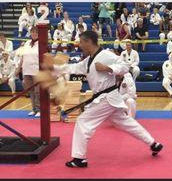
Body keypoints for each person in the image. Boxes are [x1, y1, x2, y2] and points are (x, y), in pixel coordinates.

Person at [47, 31, 163, 167]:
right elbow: (73, 67)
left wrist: (108, 68)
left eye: (81, 42)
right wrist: (51, 68)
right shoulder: (88, 59)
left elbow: (125, 66)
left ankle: (79, 159)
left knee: (83, 121)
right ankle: (153, 143)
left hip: (106, 98)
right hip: (108, 98)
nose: (79, 45)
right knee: (126, 123)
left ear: (89, 42)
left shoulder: (107, 55)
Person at [17, 26, 40, 117]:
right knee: (30, 91)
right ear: (30, 33)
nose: (34, 34)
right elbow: (22, 56)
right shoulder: (27, 43)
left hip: (36, 70)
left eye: (36, 32)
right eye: (32, 32)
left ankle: (39, 109)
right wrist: (19, 67)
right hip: (26, 70)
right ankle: (34, 109)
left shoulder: (41, 43)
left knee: (38, 91)